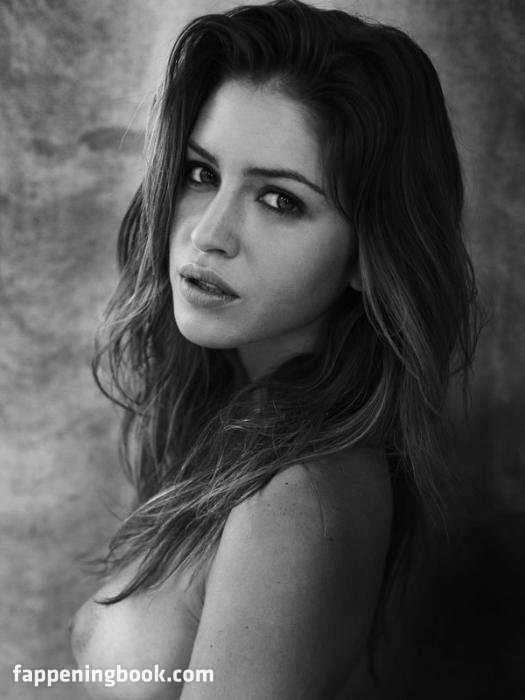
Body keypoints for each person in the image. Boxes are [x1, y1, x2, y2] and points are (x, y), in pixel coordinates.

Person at [70, 0, 480, 697]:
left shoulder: (296, 499)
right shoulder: (245, 432)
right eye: (201, 174)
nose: (208, 234)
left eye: (280, 200)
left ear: (368, 255)